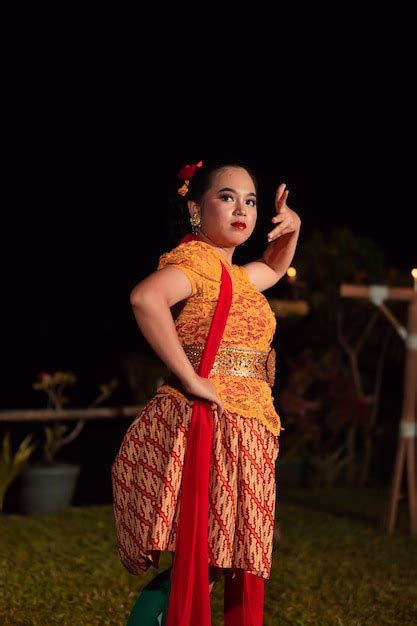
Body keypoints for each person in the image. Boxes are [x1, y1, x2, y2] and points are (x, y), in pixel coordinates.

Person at [111, 159, 301, 625]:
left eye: (251, 201)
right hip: (213, 423)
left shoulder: (234, 275)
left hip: (248, 423)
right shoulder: (196, 263)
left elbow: (272, 271)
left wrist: (292, 229)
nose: (242, 209)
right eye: (228, 197)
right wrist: (192, 378)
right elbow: (145, 298)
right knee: (208, 554)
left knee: (231, 553)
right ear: (196, 208)